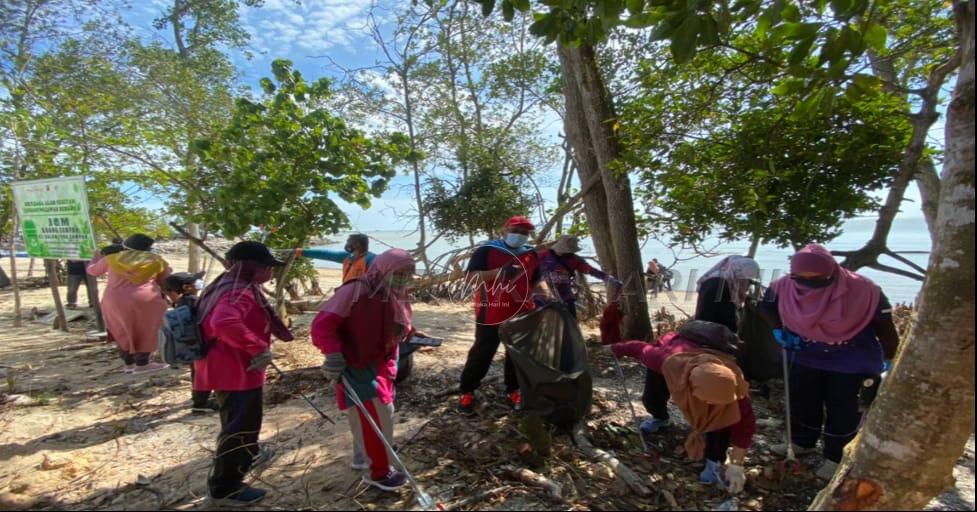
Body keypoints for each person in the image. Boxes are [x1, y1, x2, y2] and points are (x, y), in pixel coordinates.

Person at [758, 244, 899, 480]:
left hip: (852, 359)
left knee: (843, 410)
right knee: (803, 401)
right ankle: (802, 442)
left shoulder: (865, 290)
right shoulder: (782, 285)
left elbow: (885, 327)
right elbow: (766, 306)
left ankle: (836, 457)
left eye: (817, 279)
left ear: (832, 271)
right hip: (804, 353)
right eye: (801, 279)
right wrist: (777, 330)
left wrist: (889, 358)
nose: (809, 284)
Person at [194, 241, 294, 507]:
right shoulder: (239, 292)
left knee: (235, 421)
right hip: (235, 369)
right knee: (242, 427)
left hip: (226, 366)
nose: (269, 272)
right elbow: (224, 322)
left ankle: (242, 462)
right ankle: (225, 488)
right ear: (250, 267)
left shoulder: (226, 284)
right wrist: (258, 347)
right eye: (265, 267)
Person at [312, 249, 419, 492]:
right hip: (357, 363)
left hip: (382, 360)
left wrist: (412, 333)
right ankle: (378, 473)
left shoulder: (394, 291)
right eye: (399, 273)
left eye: (409, 274)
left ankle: (364, 458)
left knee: (373, 414)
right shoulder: (355, 290)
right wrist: (332, 354)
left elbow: (399, 318)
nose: (404, 278)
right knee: (375, 414)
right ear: (384, 269)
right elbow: (322, 325)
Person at [609, 322, 755, 493]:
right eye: (707, 402)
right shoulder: (666, 360)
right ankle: (660, 417)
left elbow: (745, 425)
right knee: (652, 397)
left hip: (714, 356)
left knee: (722, 419)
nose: (710, 406)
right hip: (676, 354)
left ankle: (714, 461)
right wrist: (615, 348)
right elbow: (640, 349)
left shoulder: (734, 385)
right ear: (691, 387)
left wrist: (737, 465)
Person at [458, 216, 541, 413]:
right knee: (483, 351)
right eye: (515, 230)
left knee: (516, 353)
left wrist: (545, 293)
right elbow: (470, 278)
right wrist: (498, 273)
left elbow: (537, 280)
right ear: (504, 230)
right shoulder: (486, 251)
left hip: (522, 311)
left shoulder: (531, 254)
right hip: (491, 310)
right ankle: (467, 390)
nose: (519, 235)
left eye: (524, 233)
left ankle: (513, 390)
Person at [86, 234, 171, 375]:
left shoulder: (111, 259)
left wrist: (95, 257)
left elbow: (92, 271)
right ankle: (143, 364)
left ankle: (129, 364)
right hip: (147, 301)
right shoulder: (158, 261)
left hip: (114, 301)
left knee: (121, 329)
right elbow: (165, 282)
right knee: (147, 330)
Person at [163, 271, 218, 415]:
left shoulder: (181, 303)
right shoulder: (193, 301)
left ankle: (199, 400)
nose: (198, 284)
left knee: (198, 373)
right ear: (187, 287)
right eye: (194, 282)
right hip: (202, 343)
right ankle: (201, 403)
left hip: (191, 345)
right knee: (202, 374)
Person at [536, 235, 621, 319]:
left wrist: (608, 278)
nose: (570, 253)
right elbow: (529, 268)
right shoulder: (543, 255)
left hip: (565, 297)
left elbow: (591, 271)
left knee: (570, 322)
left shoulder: (575, 259)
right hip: (543, 296)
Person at [695, 255, 761, 332]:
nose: (746, 282)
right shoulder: (719, 284)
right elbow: (725, 316)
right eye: (746, 278)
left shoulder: (722, 278)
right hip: (710, 332)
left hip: (703, 328)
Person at [295, 234, 376, 284]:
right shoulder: (348, 257)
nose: (347, 244)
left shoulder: (371, 259)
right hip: (347, 295)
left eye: (349, 242)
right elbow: (323, 254)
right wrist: (298, 252)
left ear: (357, 244)